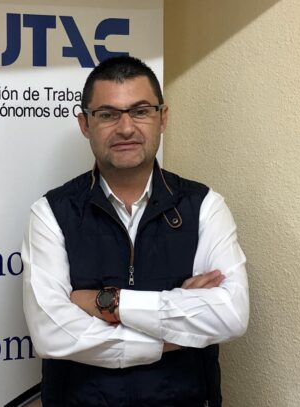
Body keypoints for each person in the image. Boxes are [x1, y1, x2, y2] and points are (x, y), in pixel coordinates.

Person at [22, 56, 249, 406]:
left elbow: (230, 315)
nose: (126, 128)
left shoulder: (204, 205)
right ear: (85, 124)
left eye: (141, 111)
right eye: (108, 114)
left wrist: (106, 302)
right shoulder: (51, 213)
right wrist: (175, 331)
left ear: (163, 118)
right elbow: (51, 333)